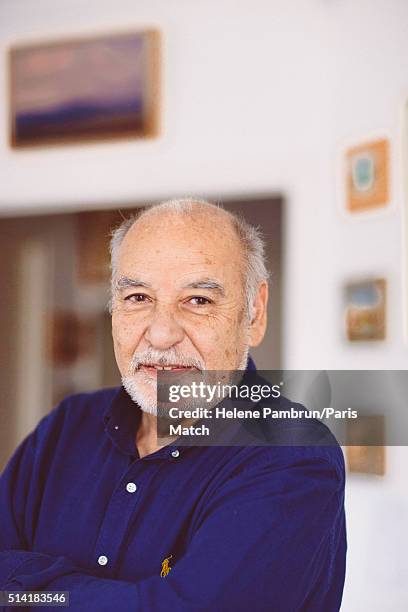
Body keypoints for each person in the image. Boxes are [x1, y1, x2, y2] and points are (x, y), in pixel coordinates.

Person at [0, 198, 346, 611]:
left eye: (198, 300)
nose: (161, 335)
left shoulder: (292, 454)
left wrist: (29, 590)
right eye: (138, 297)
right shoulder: (66, 426)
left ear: (253, 314)